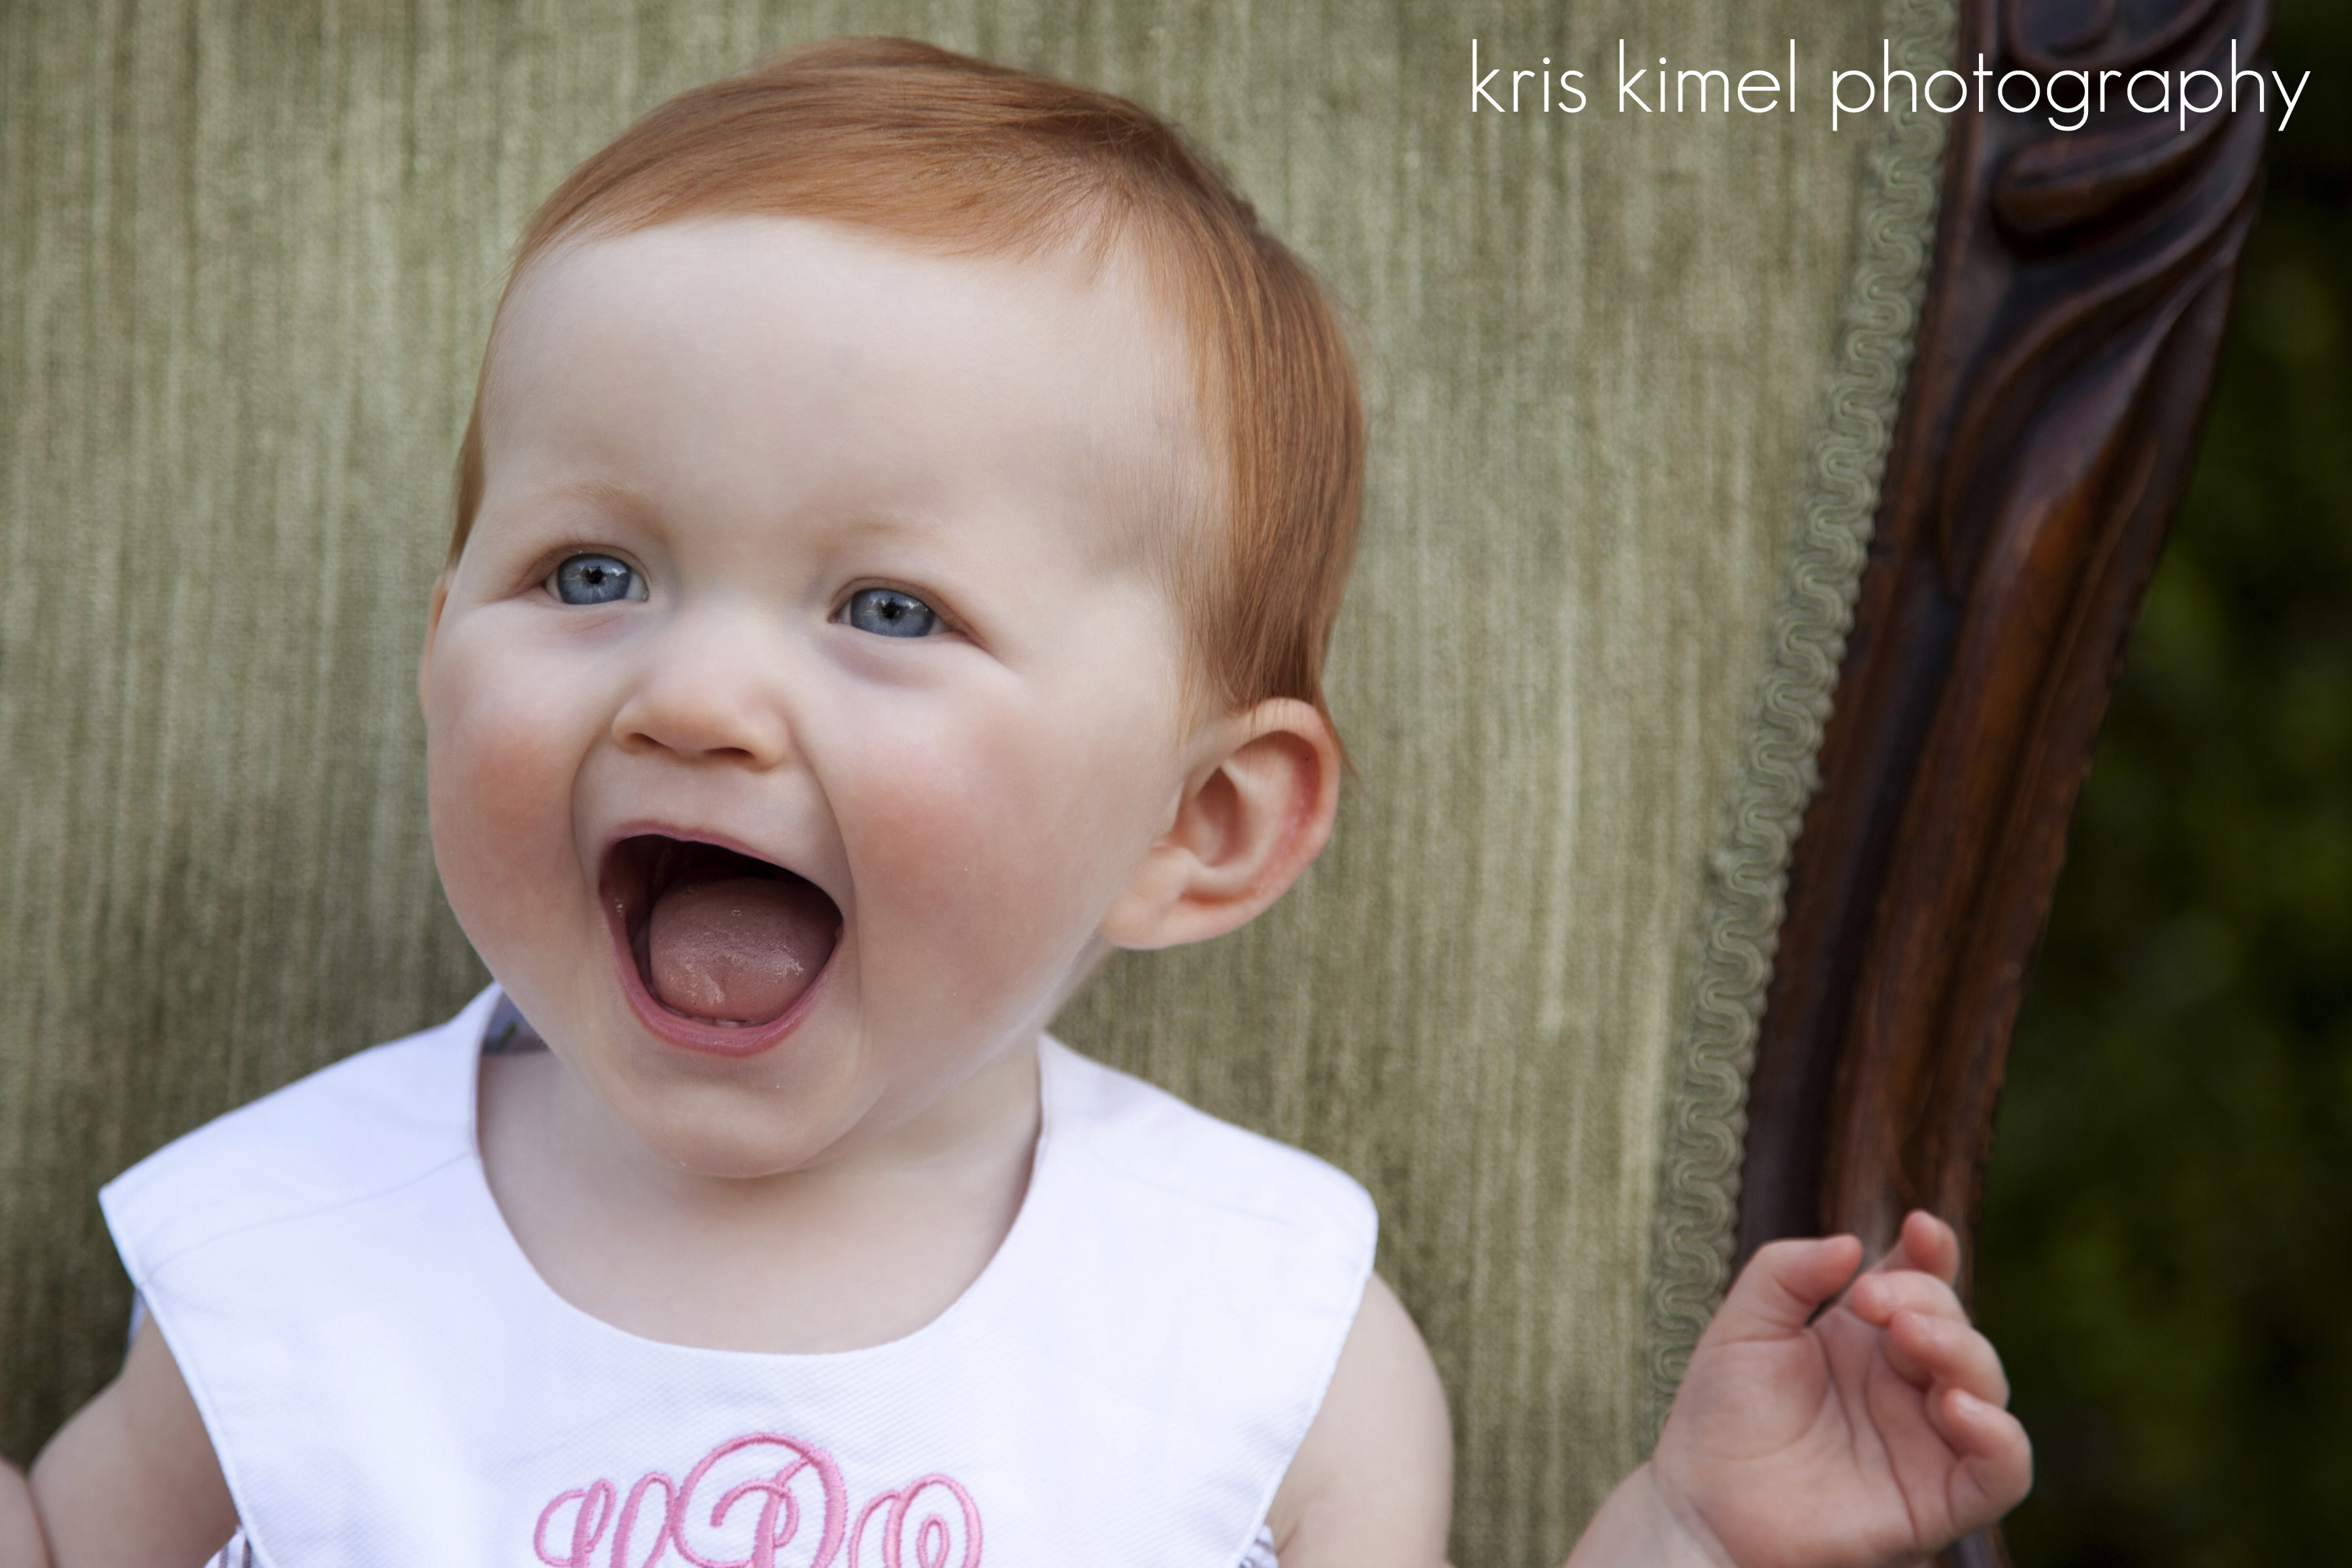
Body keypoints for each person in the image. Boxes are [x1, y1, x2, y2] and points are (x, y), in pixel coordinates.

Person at [0, 37, 2029, 1568]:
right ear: (444, 640)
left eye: (890, 608)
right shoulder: (294, 1245)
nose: (694, 693)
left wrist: (1690, 1535)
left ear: (1199, 827)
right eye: (591, 576)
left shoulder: (1251, 1333)